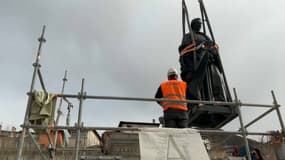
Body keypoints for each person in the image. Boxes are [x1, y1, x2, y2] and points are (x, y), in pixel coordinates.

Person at [178, 17, 223, 101]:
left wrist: (212, 47)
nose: (199, 25)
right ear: (193, 25)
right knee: (201, 82)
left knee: (214, 78)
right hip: (197, 63)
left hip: (209, 61)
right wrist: (199, 46)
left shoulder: (204, 35)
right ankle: (201, 98)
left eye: (200, 24)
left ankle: (218, 97)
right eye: (198, 23)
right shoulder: (188, 36)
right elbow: (184, 50)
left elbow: (213, 45)